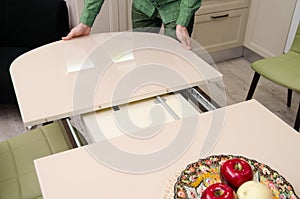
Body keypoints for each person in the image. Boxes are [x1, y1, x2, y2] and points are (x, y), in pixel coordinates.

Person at [62, 0, 202, 49]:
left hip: (176, 6)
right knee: (142, 51)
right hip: (144, 5)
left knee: (175, 58)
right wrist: (86, 22)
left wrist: (183, 21)